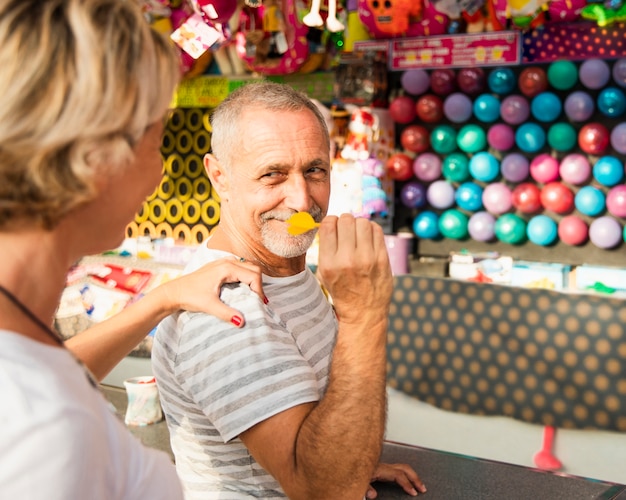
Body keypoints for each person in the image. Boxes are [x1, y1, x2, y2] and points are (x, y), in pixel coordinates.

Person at [0, 1, 265, 498]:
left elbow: (50, 373)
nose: (161, 171)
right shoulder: (42, 438)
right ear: (96, 153)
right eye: (157, 137)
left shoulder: (23, 369)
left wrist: (164, 299)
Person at [152, 81, 427, 499]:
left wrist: (350, 458)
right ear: (219, 176)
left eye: (314, 170)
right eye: (272, 174)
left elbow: (320, 428)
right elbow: (326, 493)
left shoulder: (285, 269)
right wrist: (364, 315)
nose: (301, 199)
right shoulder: (226, 310)